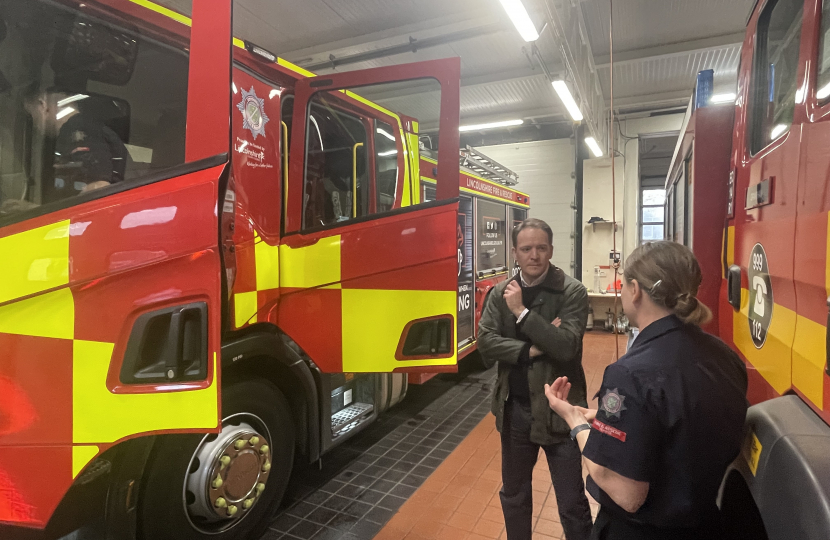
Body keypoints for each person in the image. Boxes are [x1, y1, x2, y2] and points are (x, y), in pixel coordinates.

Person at [543, 241, 748, 540]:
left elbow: (625, 491)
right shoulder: (724, 357)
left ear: (635, 289)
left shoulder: (630, 374)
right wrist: (603, 418)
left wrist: (575, 420)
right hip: (706, 524)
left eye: (624, 285)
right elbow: (676, 424)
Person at [478, 218, 593, 540]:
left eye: (541, 248)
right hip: (515, 409)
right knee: (514, 495)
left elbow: (567, 346)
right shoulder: (499, 292)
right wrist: (534, 348)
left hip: (561, 413)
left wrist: (522, 314)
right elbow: (485, 342)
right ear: (515, 252)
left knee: (571, 501)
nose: (534, 255)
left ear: (551, 250)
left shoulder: (572, 291)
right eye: (526, 248)